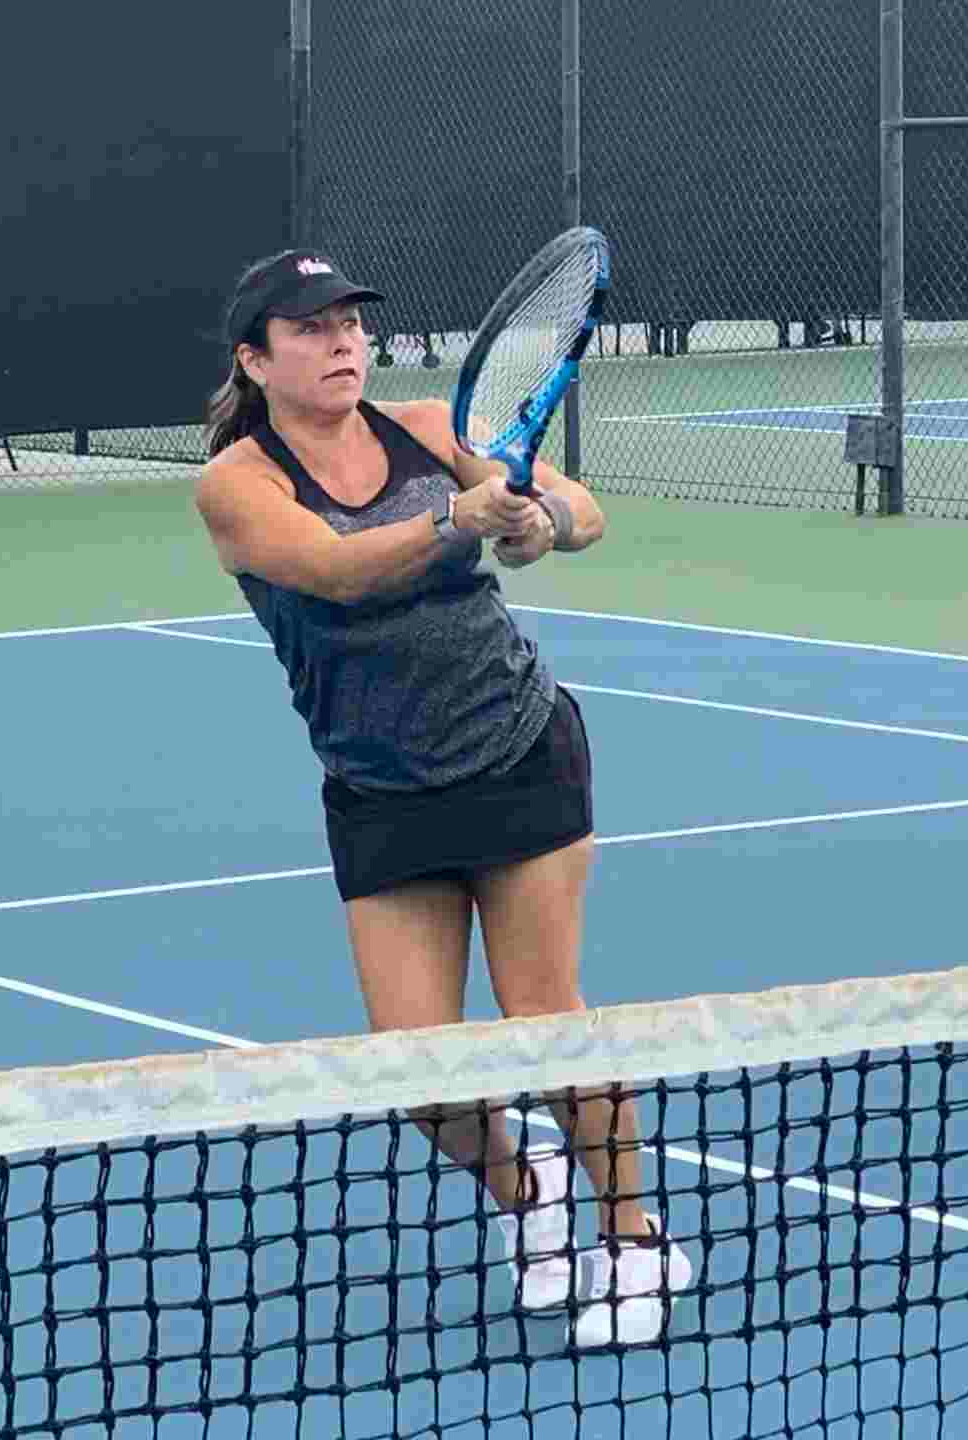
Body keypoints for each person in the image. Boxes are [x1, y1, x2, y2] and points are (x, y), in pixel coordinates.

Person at [192, 249, 695, 1347]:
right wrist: (458, 524)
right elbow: (329, 568)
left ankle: (635, 1238)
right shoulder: (239, 481)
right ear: (255, 357)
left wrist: (538, 525)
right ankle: (531, 1196)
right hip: (382, 792)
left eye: (351, 325)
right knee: (420, 1072)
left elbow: (582, 510)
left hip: (518, 751)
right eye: (311, 328)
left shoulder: (426, 427)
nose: (341, 344)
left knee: (542, 1016)